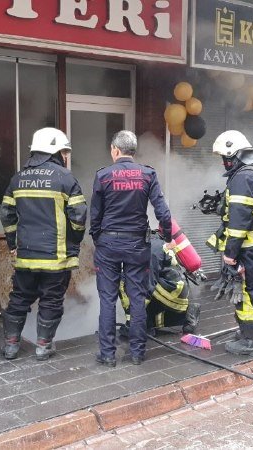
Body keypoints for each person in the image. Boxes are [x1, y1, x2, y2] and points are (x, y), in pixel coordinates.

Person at [0, 128, 87, 361]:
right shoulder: (65, 178)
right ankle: (43, 346)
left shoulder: (18, 178)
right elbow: (78, 217)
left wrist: (12, 243)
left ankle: (10, 346)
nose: (66, 156)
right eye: (64, 151)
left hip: (26, 255)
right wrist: (74, 242)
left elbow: (6, 214)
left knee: (19, 297)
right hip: (55, 258)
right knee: (51, 299)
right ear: (54, 151)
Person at [91, 130, 173, 367]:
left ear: (115, 150)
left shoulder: (103, 175)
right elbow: (163, 211)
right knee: (137, 298)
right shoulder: (148, 174)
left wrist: (99, 238)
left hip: (108, 243)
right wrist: (166, 235)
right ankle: (137, 353)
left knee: (107, 299)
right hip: (138, 244)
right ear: (132, 151)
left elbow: (95, 215)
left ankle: (107, 355)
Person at [207, 130, 253, 357]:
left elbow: (239, 220)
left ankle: (250, 342)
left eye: (225, 158)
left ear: (233, 155)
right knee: (249, 289)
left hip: (247, 246)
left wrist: (230, 253)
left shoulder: (243, 177)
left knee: (244, 291)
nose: (224, 163)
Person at [119, 232, 200, 336]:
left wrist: (133, 321)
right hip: (166, 287)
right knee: (152, 320)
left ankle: (136, 322)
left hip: (172, 289)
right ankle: (187, 316)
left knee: (125, 280)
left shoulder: (150, 250)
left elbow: (147, 284)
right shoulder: (146, 242)